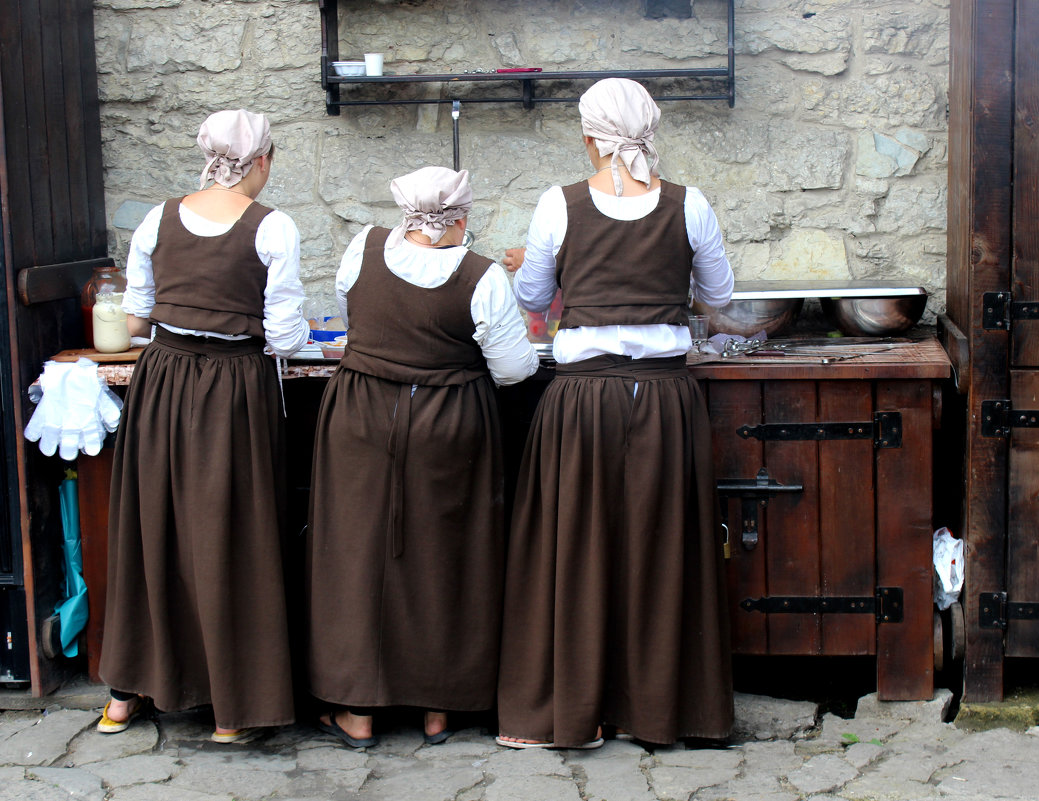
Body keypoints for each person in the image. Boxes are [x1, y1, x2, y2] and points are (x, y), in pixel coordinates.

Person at [496, 78, 736, 749]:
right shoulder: (689, 206)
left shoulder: (559, 203)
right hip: (663, 399)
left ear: (588, 136)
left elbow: (533, 294)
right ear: (650, 131)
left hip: (583, 400)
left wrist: (540, 267)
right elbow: (718, 294)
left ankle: (576, 711)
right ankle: (654, 710)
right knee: (659, 554)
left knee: (576, 551)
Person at [305, 166, 539, 748]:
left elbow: (351, 310)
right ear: (461, 216)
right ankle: (438, 709)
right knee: (447, 558)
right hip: (449, 422)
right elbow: (513, 370)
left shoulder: (364, 245)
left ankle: (358, 713)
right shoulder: (482, 277)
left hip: (360, 415)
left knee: (356, 556)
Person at [97, 109, 310, 743]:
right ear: (265, 161)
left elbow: (136, 318)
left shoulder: (157, 219)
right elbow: (284, 336)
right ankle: (230, 710)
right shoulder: (273, 227)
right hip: (232, 389)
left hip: (161, 380)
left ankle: (124, 697)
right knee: (232, 536)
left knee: (152, 527)